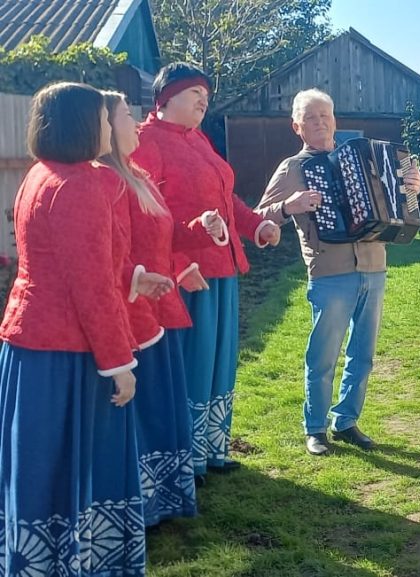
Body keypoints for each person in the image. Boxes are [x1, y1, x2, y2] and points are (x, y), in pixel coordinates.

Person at [0, 81, 167, 575]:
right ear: (81, 124)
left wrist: (134, 276)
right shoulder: (82, 186)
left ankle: (31, 560)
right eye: (102, 118)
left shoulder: (40, 174)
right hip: (67, 353)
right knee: (69, 464)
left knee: (36, 463)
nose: (110, 128)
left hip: (30, 344)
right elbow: (91, 288)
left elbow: (69, 261)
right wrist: (119, 364)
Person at [133, 62, 281, 480]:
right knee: (192, 364)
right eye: (195, 93)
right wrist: (179, 267)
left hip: (222, 269)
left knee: (218, 361)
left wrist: (256, 226)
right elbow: (144, 217)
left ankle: (211, 449)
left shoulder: (198, 139)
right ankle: (185, 459)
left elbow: (225, 198)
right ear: (166, 97)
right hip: (185, 275)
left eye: (206, 96)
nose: (204, 101)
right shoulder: (146, 141)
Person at [256, 89, 420, 455]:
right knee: (324, 356)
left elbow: (402, 199)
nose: (319, 122)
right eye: (310, 117)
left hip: (374, 266)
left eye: (325, 115)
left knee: (363, 353)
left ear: (334, 120)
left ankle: (346, 420)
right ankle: (315, 428)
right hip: (329, 272)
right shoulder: (293, 168)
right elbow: (256, 218)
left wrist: (413, 188)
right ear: (297, 126)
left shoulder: (364, 157)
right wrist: (288, 206)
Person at [99, 90, 225, 524]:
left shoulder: (136, 175)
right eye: (124, 116)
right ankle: (142, 505)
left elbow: (159, 239)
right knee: (145, 413)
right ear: (103, 127)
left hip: (158, 305)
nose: (135, 123)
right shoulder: (107, 181)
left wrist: (198, 230)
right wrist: (140, 279)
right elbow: (111, 255)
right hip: (133, 314)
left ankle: (160, 500)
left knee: (159, 409)